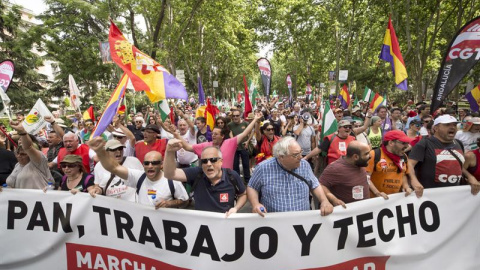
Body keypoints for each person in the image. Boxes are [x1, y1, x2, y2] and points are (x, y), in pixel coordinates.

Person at [89, 137, 188, 208]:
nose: (150, 166)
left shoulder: (172, 181)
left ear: (161, 165)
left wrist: (169, 203)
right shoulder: (139, 177)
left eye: (154, 163)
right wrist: (100, 152)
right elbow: (114, 168)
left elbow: (186, 201)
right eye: (146, 163)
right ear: (143, 165)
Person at [247, 136, 334, 216]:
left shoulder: (304, 165)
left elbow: (315, 184)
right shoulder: (263, 168)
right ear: (281, 157)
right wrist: (255, 204)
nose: (300, 157)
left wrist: (324, 201)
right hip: (274, 223)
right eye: (295, 155)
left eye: (301, 152)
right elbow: (252, 187)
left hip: (302, 221)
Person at [163, 140, 247, 216]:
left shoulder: (232, 176)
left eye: (213, 159)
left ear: (221, 162)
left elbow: (243, 194)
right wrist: (169, 152)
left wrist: (235, 208)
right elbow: (170, 174)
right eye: (204, 161)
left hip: (224, 225)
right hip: (202, 226)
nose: (209, 164)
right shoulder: (196, 174)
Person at [408, 115, 480, 197]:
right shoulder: (424, 144)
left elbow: (458, 164)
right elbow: (410, 164)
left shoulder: (459, 143)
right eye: (447, 125)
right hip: (429, 195)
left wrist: (470, 177)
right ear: (436, 128)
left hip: (454, 195)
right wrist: (414, 180)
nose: (452, 127)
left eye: (454, 125)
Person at [180, 112, 262, 169]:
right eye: (212, 134)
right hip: (210, 180)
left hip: (226, 180)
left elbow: (245, 133)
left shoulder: (230, 143)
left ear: (222, 136)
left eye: (216, 134)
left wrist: (255, 120)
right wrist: (176, 134)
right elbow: (187, 147)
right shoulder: (205, 145)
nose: (213, 136)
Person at [320, 141, 377, 207]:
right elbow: (321, 185)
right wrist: (334, 199)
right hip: (348, 214)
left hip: (364, 211)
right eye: (366, 154)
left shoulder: (361, 163)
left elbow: (366, 179)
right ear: (355, 157)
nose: (370, 156)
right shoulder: (335, 168)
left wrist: (377, 192)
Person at [6, 121, 53, 189]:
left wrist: (22, 131)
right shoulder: (18, 165)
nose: (19, 156)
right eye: (17, 153)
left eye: (23, 154)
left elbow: (28, 147)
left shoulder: (38, 162)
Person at [366, 130, 414, 197]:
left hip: (394, 201)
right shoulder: (374, 154)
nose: (407, 146)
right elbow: (365, 177)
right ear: (391, 143)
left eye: (407, 143)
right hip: (375, 201)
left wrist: (406, 186)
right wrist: (377, 193)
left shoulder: (403, 156)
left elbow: (402, 174)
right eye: (403, 143)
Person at [228, 109, 251, 182]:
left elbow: (251, 132)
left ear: (240, 115)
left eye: (237, 115)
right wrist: (233, 142)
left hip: (244, 147)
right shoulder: (230, 125)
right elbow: (229, 133)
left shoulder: (245, 123)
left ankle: (247, 180)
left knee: (246, 164)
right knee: (235, 165)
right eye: (233, 116)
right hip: (234, 149)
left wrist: (248, 141)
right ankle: (237, 181)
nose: (235, 117)